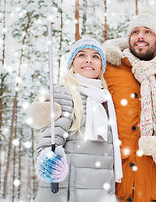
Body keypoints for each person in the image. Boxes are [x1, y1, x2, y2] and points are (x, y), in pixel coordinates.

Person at [29, 38, 122, 202]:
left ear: (101, 65)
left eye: (95, 56)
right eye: (82, 55)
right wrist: (50, 161)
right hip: (68, 195)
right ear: (72, 63)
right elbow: (46, 147)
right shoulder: (63, 94)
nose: (88, 60)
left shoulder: (104, 101)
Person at [102, 10, 156, 201]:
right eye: (135, 32)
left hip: (150, 183)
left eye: (147, 32)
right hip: (113, 181)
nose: (140, 36)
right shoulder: (108, 70)